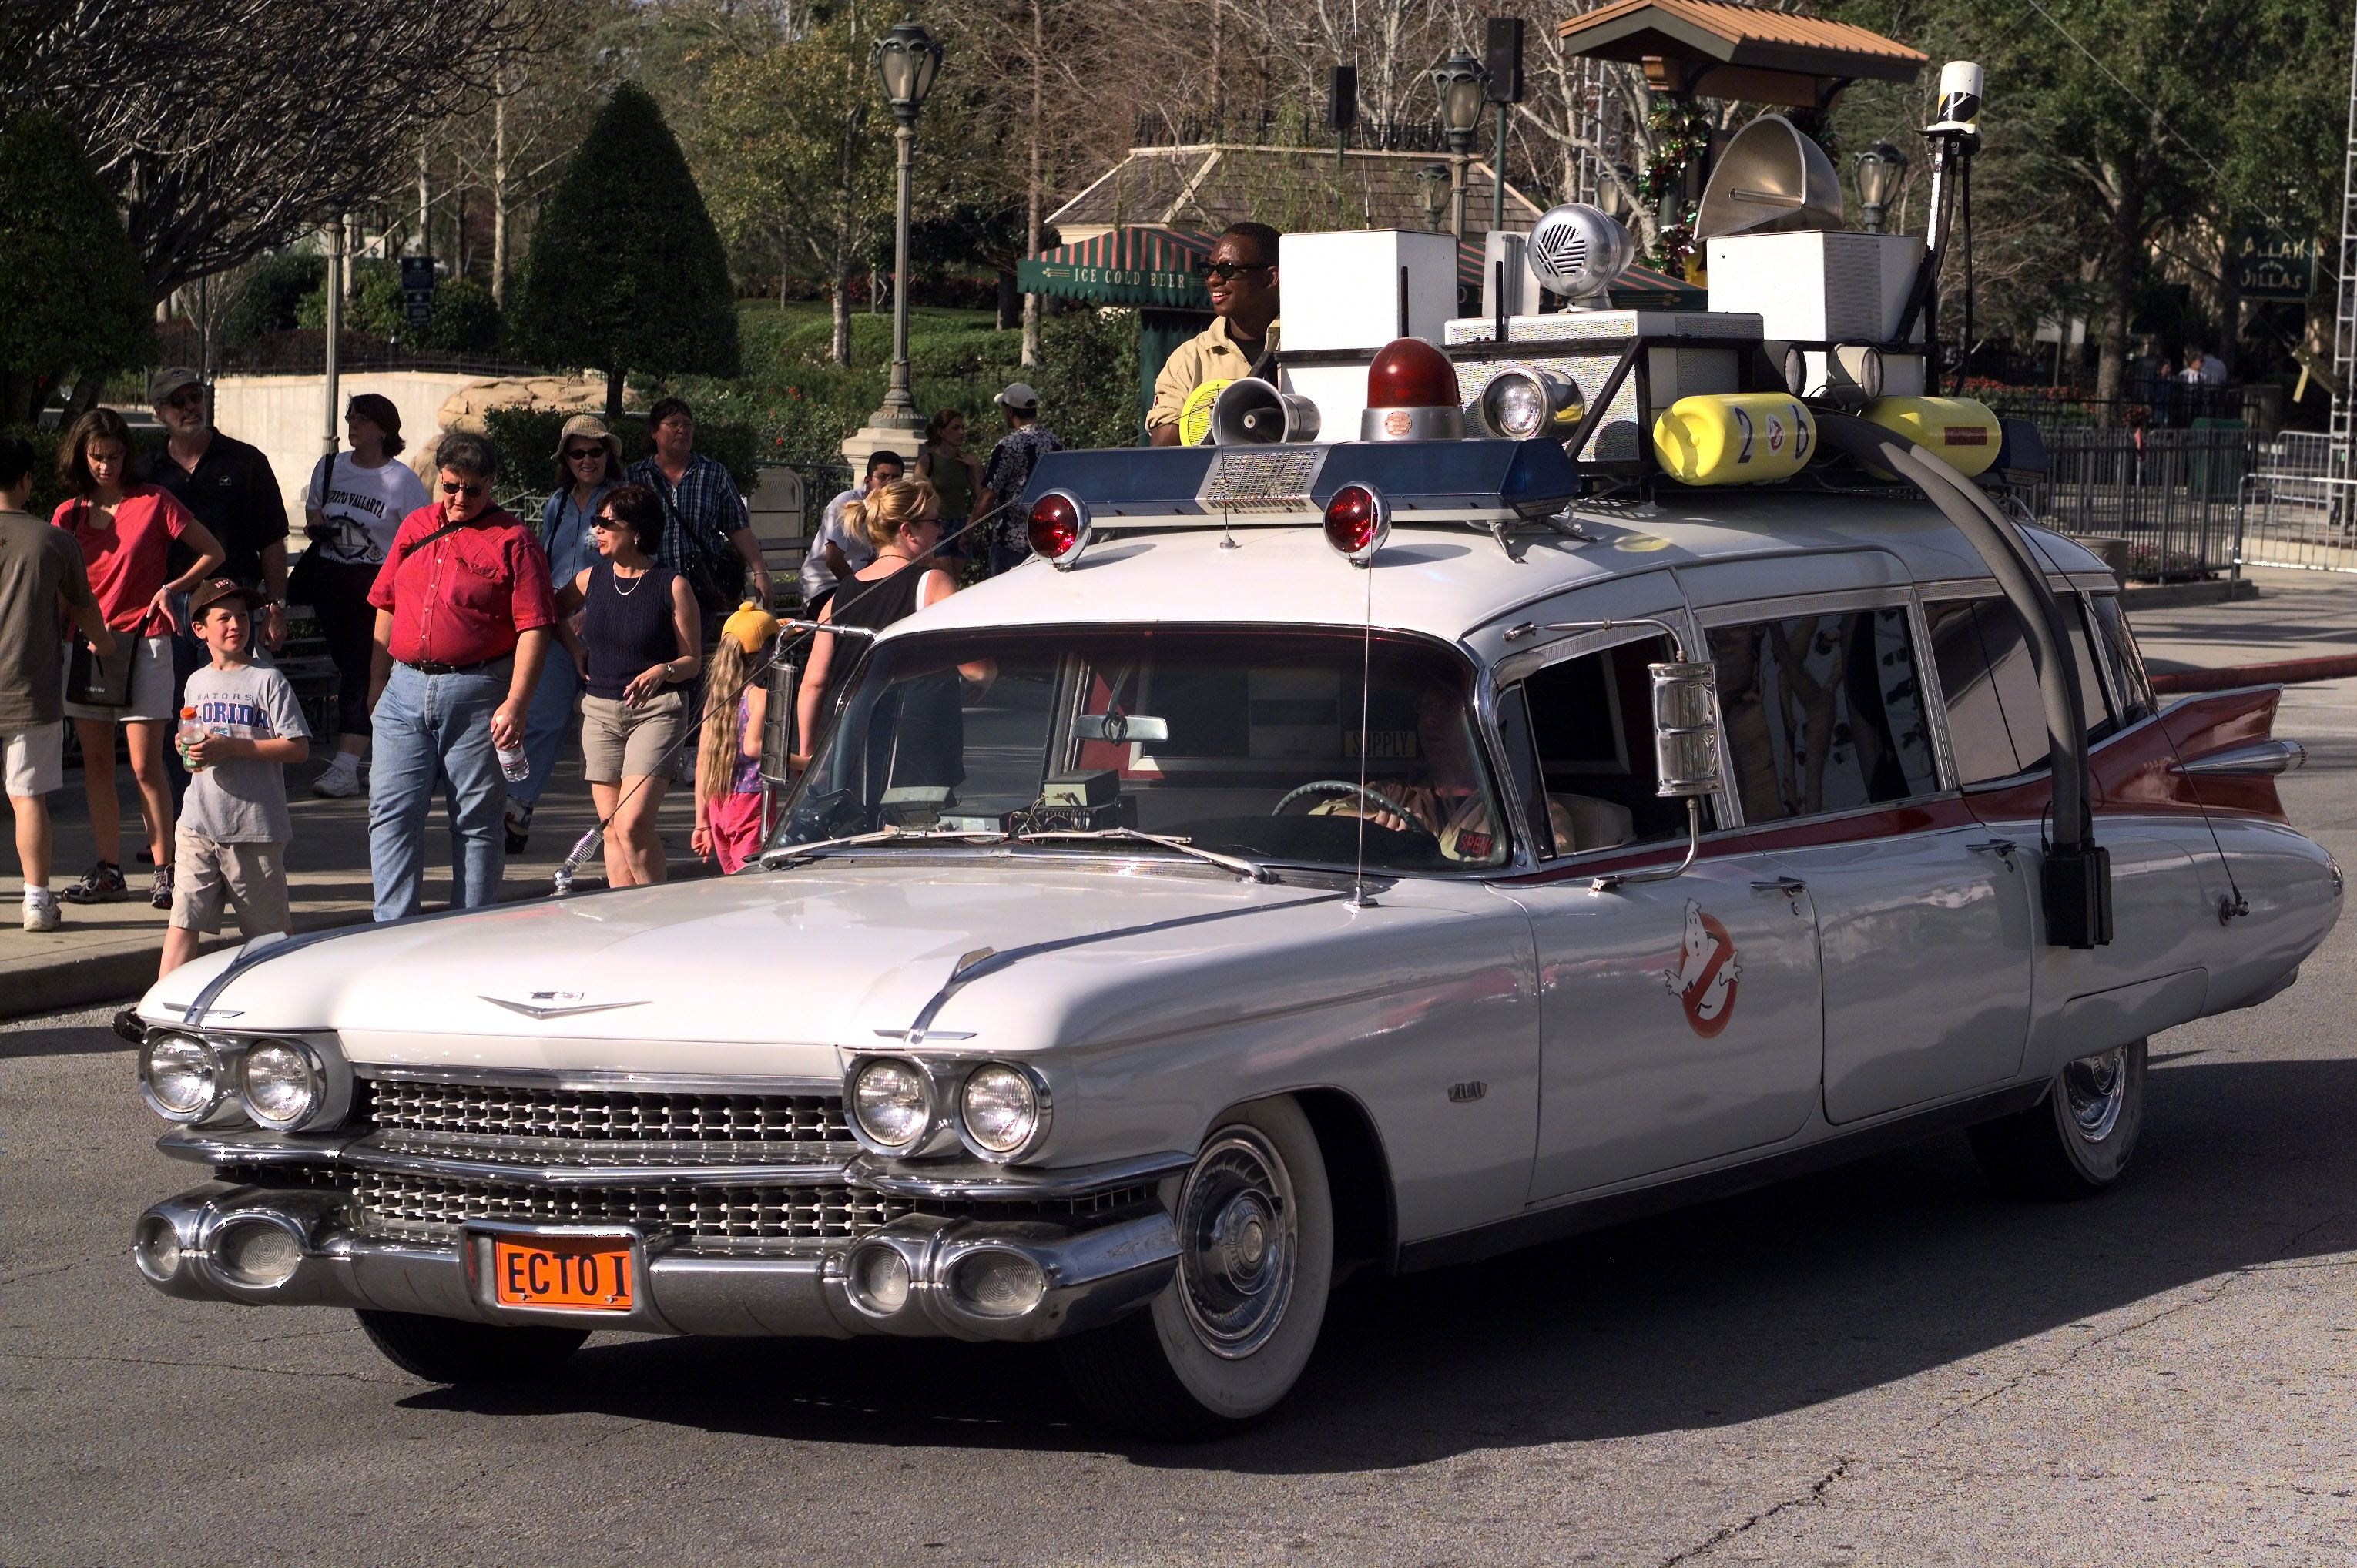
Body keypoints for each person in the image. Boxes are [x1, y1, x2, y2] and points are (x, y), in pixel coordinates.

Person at [364, 431, 555, 922]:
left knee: (475, 822)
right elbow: (386, 604)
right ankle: (392, 931)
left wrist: (516, 702)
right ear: (439, 478)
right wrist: (376, 682)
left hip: (476, 693)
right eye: (451, 486)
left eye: (474, 489)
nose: (460, 499)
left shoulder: (514, 540)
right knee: (391, 815)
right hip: (403, 689)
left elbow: (535, 627)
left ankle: (469, 930)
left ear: (491, 484)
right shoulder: (414, 527)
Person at [52, 409, 226, 910]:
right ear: (82, 457)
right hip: (85, 645)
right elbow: (61, 588)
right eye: (97, 457)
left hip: (147, 641)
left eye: (115, 455)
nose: (106, 466)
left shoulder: (153, 501)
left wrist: (172, 589)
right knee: (98, 764)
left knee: (148, 765)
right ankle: (108, 868)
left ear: (127, 454)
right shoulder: (68, 513)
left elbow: (211, 551)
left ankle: (165, 868)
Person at [159, 578, 310, 977]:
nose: (236, 625)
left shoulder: (267, 680)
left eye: (243, 616)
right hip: (199, 821)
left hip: (254, 827)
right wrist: (186, 747)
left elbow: (298, 748)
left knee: (269, 936)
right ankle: (157, 1011)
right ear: (200, 630)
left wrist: (233, 748)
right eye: (224, 617)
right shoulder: (196, 681)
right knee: (182, 920)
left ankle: (281, 1008)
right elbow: (194, 744)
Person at [554, 483, 699, 888]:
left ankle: (659, 914)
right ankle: (626, 918)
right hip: (599, 711)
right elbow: (551, 614)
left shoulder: (672, 585)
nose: (596, 530)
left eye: (606, 523)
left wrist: (663, 670)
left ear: (636, 531)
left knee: (633, 824)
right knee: (612, 828)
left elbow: (692, 662)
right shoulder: (589, 580)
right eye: (596, 522)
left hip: (656, 712)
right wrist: (574, 649)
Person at [0, 433, 113, 931]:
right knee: (29, 798)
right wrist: (104, 645)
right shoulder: (54, 540)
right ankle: (38, 901)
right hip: (31, 689)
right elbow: (85, 610)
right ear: (26, 481)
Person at [505, 414, 623, 853]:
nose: (588, 460)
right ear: (566, 460)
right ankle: (516, 811)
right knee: (542, 721)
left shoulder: (622, 502)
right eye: (578, 453)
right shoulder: (556, 502)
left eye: (596, 451)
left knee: (610, 726)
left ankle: (619, 823)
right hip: (556, 628)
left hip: (609, 628)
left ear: (608, 455)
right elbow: (544, 563)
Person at [302, 394, 429, 800]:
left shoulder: (402, 480)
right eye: (349, 418)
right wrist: (317, 525)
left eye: (361, 419)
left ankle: (345, 765)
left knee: (362, 669)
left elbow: (420, 541)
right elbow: (314, 512)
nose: (352, 425)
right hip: (331, 580)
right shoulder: (331, 467)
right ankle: (388, 755)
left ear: (384, 428)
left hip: (375, 584)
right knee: (352, 668)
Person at [794, 479, 964, 767]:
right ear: (907, 530)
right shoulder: (934, 583)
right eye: (935, 521)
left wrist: (807, 753)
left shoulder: (839, 596)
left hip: (849, 744)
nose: (941, 530)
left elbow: (814, 683)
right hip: (915, 748)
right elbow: (977, 668)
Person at [147, 367, 289, 643]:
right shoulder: (145, 472)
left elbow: (272, 542)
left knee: (228, 688)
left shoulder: (248, 462)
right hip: (166, 605)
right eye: (178, 401)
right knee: (171, 688)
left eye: (195, 396)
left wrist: (276, 610)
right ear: (159, 412)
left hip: (230, 603)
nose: (190, 406)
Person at [626, 397, 770, 611]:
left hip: (700, 591)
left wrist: (760, 571)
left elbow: (737, 526)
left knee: (694, 645)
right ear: (654, 432)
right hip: (647, 588)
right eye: (673, 424)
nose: (682, 430)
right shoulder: (634, 477)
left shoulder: (713, 473)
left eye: (687, 424)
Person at [1147, 222, 1283, 447]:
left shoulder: (1313, 347)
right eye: (1208, 269)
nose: (1212, 279)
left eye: (1227, 269)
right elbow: (1163, 458)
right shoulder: (1189, 359)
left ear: (1270, 278)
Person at [692, 602, 780, 875]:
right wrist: (805, 761)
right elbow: (753, 746)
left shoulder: (716, 701)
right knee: (752, 884)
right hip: (751, 803)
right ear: (767, 654)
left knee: (733, 882)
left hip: (719, 804)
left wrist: (701, 823)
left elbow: (703, 763)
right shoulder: (760, 696)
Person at [974, 386, 1061, 577]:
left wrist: (968, 529)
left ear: (1010, 410)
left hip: (1010, 543)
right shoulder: (1055, 442)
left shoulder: (1008, 446)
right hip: (1046, 540)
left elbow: (989, 494)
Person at [800, 448, 899, 616]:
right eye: (882, 477)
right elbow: (833, 560)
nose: (889, 484)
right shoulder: (845, 504)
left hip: (864, 587)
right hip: (824, 587)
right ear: (868, 480)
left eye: (896, 479)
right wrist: (861, 593)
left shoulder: (894, 510)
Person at [914, 410, 983, 565]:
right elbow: (919, 497)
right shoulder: (927, 461)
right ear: (941, 432)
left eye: (962, 428)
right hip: (938, 525)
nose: (961, 432)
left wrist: (976, 466)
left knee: (955, 585)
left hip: (961, 525)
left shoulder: (966, 461)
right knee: (946, 581)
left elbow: (980, 496)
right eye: (955, 428)